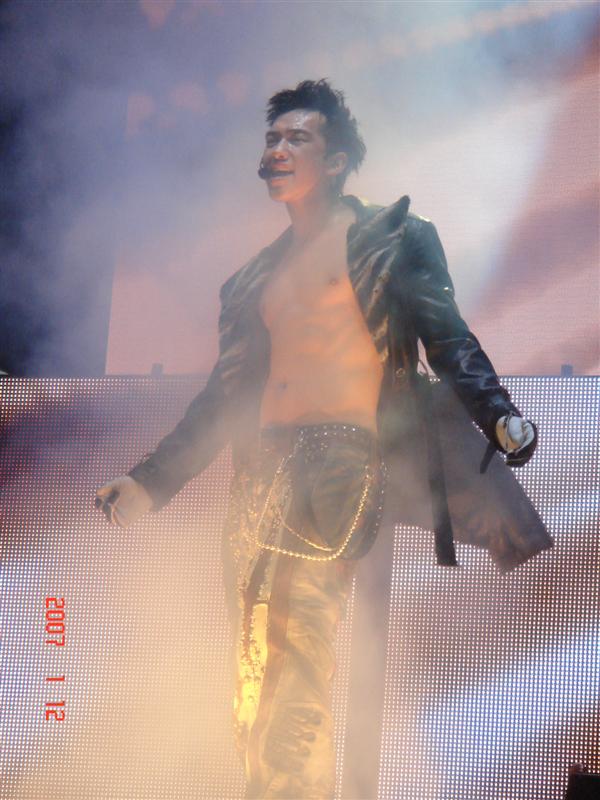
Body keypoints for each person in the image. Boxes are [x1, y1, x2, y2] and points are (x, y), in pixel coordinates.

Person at [96, 80, 551, 799]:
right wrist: (150, 481)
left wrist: (499, 416)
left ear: (335, 161)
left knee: (298, 655)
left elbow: (449, 341)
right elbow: (223, 397)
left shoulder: (394, 239)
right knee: (254, 673)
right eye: (272, 139)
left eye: (296, 138)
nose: (277, 150)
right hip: (261, 474)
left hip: (340, 462)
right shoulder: (254, 279)